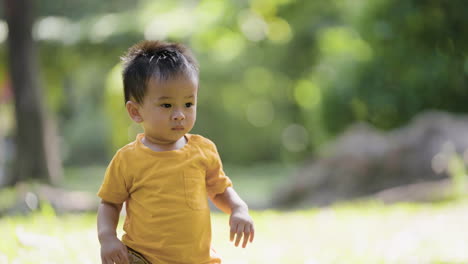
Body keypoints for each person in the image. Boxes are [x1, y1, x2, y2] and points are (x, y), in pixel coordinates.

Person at [97, 40, 255, 264]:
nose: (180, 114)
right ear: (135, 111)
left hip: (198, 259)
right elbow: (110, 204)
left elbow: (220, 190)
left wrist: (238, 208)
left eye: (189, 104)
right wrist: (108, 238)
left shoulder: (203, 150)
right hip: (143, 258)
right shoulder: (127, 159)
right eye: (167, 105)